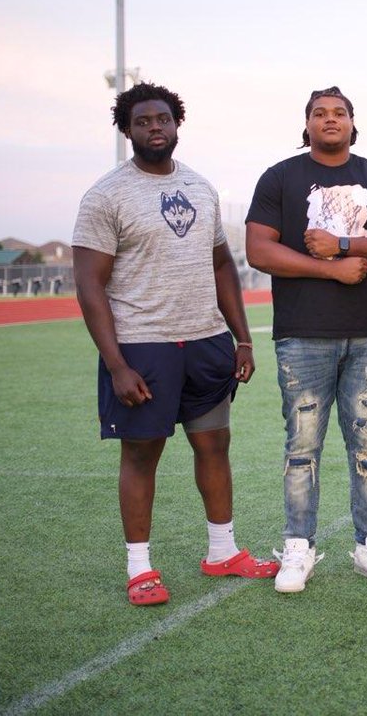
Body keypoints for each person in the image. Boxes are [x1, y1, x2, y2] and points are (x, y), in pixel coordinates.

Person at [73, 82, 276, 607]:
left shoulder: (202, 188)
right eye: (143, 121)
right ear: (127, 130)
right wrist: (116, 363)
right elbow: (90, 285)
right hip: (144, 346)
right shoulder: (105, 195)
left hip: (207, 341)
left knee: (214, 445)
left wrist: (243, 337)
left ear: (177, 123)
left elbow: (220, 265)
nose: (155, 128)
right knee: (142, 456)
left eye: (162, 119)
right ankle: (139, 567)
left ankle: (222, 551)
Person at [246, 86, 367, 593]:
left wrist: (346, 243)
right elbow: (259, 250)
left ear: (352, 122)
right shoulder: (280, 178)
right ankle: (298, 547)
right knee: (302, 447)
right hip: (302, 334)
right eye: (319, 113)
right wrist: (334, 271)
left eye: (339, 113)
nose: (330, 119)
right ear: (307, 125)